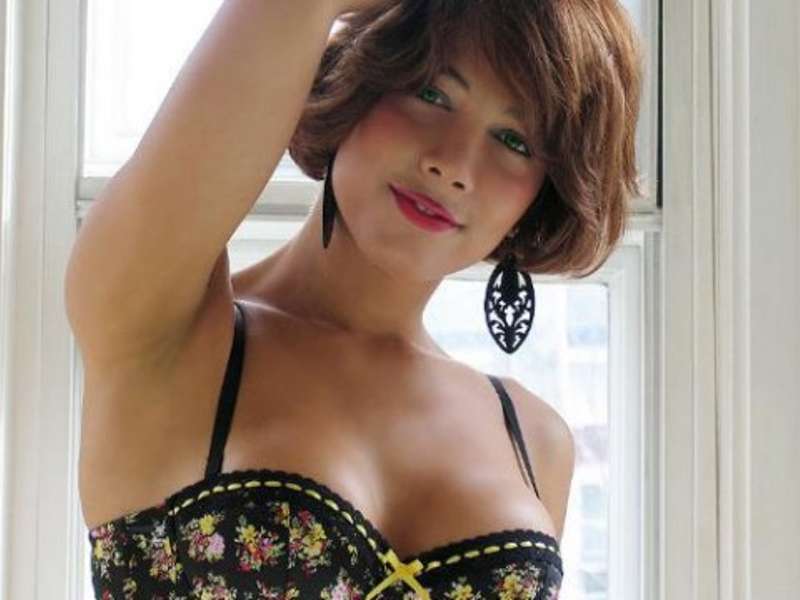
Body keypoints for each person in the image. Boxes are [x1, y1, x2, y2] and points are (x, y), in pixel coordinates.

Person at [66, 0, 644, 598]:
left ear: (543, 194)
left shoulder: (535, 441)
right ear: (356, 82)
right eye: (432, 94)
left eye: (514, 140)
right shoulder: (172, 331)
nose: (452, 164)